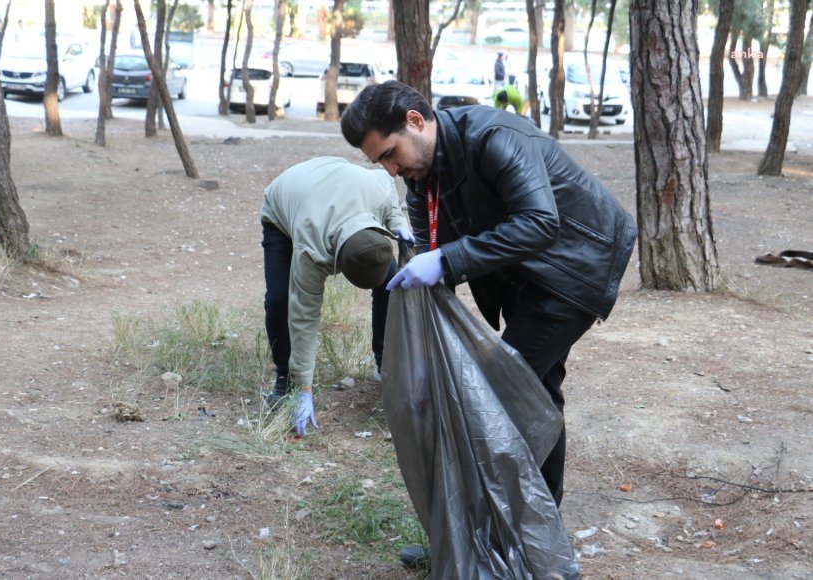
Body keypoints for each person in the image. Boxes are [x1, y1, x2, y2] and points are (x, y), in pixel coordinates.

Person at [340, 80, 636, 568]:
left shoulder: (495, 137)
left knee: (495, 394)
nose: (393, 170)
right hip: (523, 273)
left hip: (575, 266)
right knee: (535, 391)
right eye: (382, 164)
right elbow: (433, 250)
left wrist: (446, 262)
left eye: (391, 153)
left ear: (416, 121)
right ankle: (531, 538)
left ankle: (489, 541)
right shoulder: (423, 173)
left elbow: (541, 222)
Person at [261, 156, 413, 437]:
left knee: (391, 284)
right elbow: (304, 315)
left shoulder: (378, 186)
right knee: (280, 299)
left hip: (341, 183)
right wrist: (304, 388)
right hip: (286, 200)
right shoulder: (312, 247)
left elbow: (390, 195)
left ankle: (384, 362)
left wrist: (396, 221)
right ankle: (285, 379)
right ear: (337, 263)